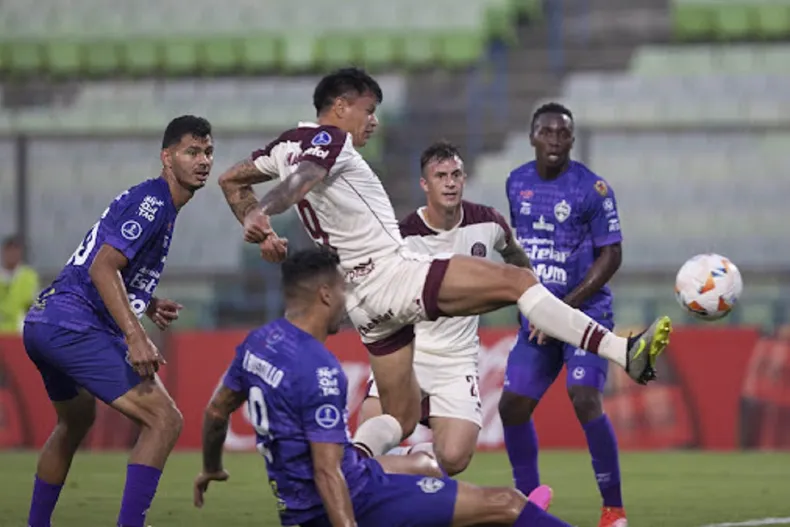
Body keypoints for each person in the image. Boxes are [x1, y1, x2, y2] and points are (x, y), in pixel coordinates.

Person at [216, 67, 672, 456]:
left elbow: (231, 180)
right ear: (339, 106)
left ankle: (350, 468)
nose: (373, 121)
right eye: (368, 109)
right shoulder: (328, 138)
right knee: (516, 280)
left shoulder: (282, 148)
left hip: (359, 300)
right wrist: (265, 212)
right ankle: (621, 351)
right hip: (391, 273)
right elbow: (305, 176)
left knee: (400, 415)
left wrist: (255, 223)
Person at [193, 247, 576, 527]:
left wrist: (210, 467)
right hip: (353, 502)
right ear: (325, 294)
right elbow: (329, 473)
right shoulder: (319, 368)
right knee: (506, 504)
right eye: (342, 289)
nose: (347, 299)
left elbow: (215, 411)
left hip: (299, 506)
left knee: (426, 467)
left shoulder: (258, 343)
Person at [22, 115, 214, 527]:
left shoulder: (158, 204)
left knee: (76, 420)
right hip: (72, 325)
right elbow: (102, 268)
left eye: (208, 152)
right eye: (192, 151)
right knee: (165, 420)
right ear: (167, 157)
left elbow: (104, 264)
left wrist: (146, 301)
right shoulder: (154, 201)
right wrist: (136, 336)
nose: (203, 161)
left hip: (45, 321)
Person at [358, 140, 532, 476]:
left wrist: (530, 296)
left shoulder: (488, 223)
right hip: (408, 353)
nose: (450, 182)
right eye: (440, 176)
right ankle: (362, 485)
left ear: (464, 178)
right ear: (425, 184)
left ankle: (415, 462)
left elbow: (515, 257)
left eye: (455, 175)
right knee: (371, 438)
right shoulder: (402, 237)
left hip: (457, 359)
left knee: (453, 458)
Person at [500, 102, 629, 527]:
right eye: (547, 132)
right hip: (536, 320)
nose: (555, 140)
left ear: (572, 140)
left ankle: (613, 510)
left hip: (584, 313)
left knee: (583, 396)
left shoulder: (592, 191)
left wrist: (562, 310)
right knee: (512, 407)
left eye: (563, 133)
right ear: (533, 136)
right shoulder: (516, 182)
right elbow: (520, 251)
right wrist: (530, 302)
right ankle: (529, 502)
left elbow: (611, 255)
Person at [0, 235, 40, 334]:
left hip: (19, 332)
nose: (12, 254)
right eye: (9, 250)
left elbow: (33, 304)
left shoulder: (29, 276)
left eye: (15, 251)